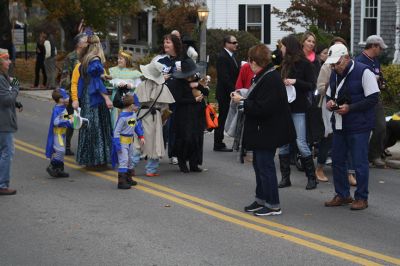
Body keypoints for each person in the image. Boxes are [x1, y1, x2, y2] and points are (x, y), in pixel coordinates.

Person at [231, 44, 295, 216]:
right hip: (263, 129)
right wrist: (245, 98)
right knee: (259, 166)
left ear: (253, 61)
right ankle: (261, 199)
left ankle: (273, 204)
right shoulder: (264, 76)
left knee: (265, 166)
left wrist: (242, 101)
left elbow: (264, 107)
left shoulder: (270, 78)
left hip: (269, 130)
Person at [324, 44, 379, 210]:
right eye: (332, 64)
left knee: (359, 162)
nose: (335, 67)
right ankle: (342, 194)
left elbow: (373, 99)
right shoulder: (334, 74)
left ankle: (362, 197)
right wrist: (330, 103)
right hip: (340, 123)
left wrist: (350, 108)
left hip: (359, 125)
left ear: (347, 58)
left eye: (337, 63)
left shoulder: (364, 72)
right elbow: (329, 95)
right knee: (338, 161)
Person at [277, 35, 318, 190]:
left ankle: (312, 178)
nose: (281, 48)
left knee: (301, 142)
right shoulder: (283, 64)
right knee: (283, 144)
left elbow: (312, 85)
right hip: (284, 108)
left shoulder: (305, 64)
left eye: (283, 45)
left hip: (299, 108)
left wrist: (295, 81)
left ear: (289, 47)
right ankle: (285, 177)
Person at [316, 37, 357, 185]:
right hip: (329, 105)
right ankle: (319, 167)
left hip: (346, 107)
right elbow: (319, 87)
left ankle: (349, 173)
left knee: (348, 137)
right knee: (328, 136)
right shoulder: (327, 67)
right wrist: (328, 86)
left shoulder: (354, 69)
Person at [75, 34, 113, 167]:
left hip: (86, 95)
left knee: (88, 126)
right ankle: (98, 159)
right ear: (98, 46)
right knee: (97, 126)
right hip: (94, 97)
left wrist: (103, 76)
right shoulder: (95, 60)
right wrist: (107, 98)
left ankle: (88, 158)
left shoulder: (85, 59)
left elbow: (85, 79)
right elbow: (96, 83)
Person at [136, 61, 175, 176]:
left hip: (141, 115)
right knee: (155, 142)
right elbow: (166, 108)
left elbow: (134, 102)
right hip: (155, 117)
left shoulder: (141, 85)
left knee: (138, 141)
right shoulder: (162, 88)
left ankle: (130, 167)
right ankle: (151, 170)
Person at [171, 58, 209, 172]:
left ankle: (194, 163)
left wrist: (198, 85)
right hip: (184, 115)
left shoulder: (196, 79)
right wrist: (194, 99)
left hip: (197, 114)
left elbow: (206, 92)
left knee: (196, 138)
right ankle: (182, 163)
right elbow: (178, 99)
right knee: (185, 138)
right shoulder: (178, 82)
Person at [355, 35, 387, 168]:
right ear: (373, 46)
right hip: (363, 99)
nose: (381, 50)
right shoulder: (359, 60)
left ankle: (374, 155)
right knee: (364, 129)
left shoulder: (375, 60)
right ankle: (362, 156)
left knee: (381, 126)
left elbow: (379, 75)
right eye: (380, 48)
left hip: (375, 98)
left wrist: (382, 82)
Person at [155, 34, 185, 165]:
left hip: (177, 99)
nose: (165, 44)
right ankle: (155, 151)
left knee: (173, 127)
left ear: (175, 44)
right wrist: (161, 78)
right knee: (160, 126)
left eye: (168, 42)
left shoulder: (182, 60)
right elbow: (151, 76)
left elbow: (190, 75)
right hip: (161, 99)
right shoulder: (161, 61)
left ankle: (174, 153)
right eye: (164, 42)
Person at [60, 33, 88, 156]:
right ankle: (66, 146)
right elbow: (65, 77)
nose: (87, 43)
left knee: (83, 120)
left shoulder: (86, 57)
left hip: (84, 93)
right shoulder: (71, 57)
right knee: (71, 120)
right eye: (85, 41)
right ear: (79, 44)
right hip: (72, 93)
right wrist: (66, 95)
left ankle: (84, 147)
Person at [111, 95, 145, 189]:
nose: (138, 107)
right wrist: (117, 145)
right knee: (124, 160)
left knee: (130, 160)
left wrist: (141, 136)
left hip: (130, 141)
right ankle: (121, 182)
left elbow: (136, 126)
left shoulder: (133, 114)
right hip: (122, 142)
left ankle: (128, 178)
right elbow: (116, 132)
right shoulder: (122, 117)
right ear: (131, 105)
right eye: (136, 105)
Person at [0, 48, 22, 195]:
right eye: (6, 59)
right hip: (3, 121)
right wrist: (15, 89)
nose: (9, 61)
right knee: (7, 151)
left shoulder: (4, 77)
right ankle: (3, 184)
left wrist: (16, 102)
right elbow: (6, 99)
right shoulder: (1, 78)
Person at [214, 35, 240, 152]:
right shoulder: (222, 57)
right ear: (226, 44)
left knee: (225, 117)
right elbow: (224, 77)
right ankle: (218, 143)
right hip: (225, 93)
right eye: (233, 42)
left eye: (236, 42)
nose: (236, 44)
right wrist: (233, 91)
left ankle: (219, 141)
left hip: (229, 91)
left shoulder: (232, 56)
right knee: (223, 117)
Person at [109, 49, 142, 128]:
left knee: (129, 121)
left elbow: (139, 84)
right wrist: (118, 84)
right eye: (118, 58)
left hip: (130, 100)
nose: (118, 60)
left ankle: (129, 135)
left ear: (127, 60)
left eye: (121, 58)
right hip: (117, 99)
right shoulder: (115, 70)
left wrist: (131, 85)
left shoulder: (134, 72)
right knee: (116, 119)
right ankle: (116, 136)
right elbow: (112, 81)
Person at [45, 88, 73, 178]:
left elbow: (63, 116)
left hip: (62, 133)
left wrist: (70, 118)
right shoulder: (57, 109)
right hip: (58, 134)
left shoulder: (62, 108)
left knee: (61, 151)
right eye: (65, 97)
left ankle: (59, 170)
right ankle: (52, 165)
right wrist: (68, 122)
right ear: (60, 99)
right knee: (60, 150)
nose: (67, 98)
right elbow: (56, 122)